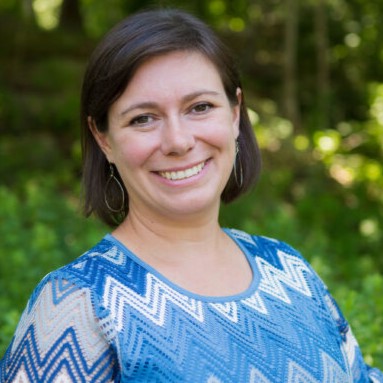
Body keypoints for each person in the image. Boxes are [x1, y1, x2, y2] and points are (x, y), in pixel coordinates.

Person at [0, 8, 382, 383]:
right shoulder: (77, 304)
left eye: (200, 107)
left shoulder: (289, 271)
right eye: (142, 119)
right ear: (104, 139)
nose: (178, 142)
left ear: (234, 115)